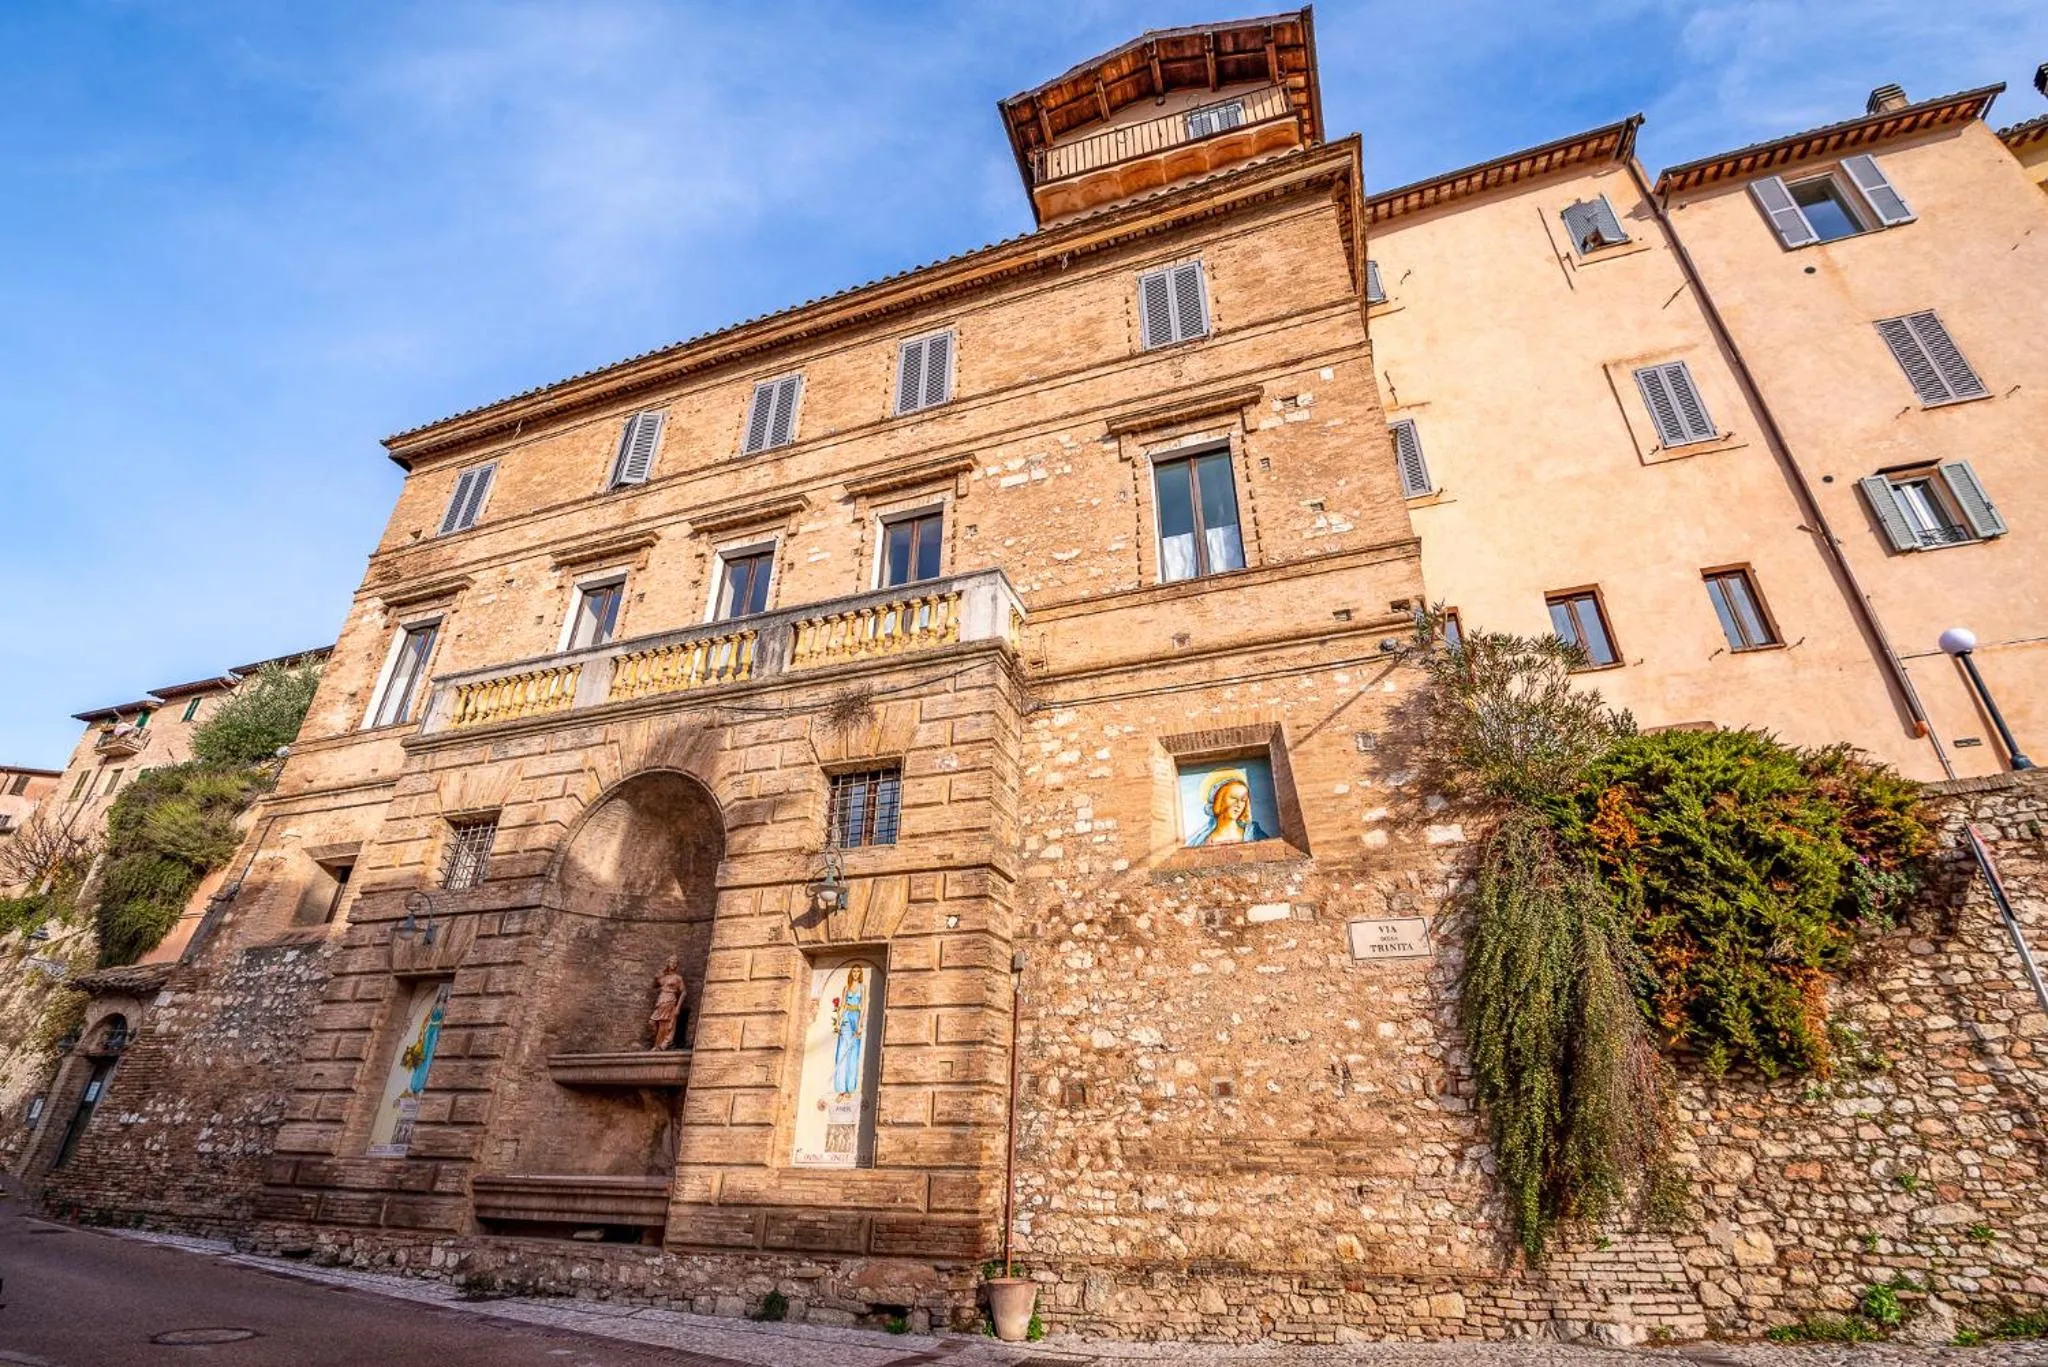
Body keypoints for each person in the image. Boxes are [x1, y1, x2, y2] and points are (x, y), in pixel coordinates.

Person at [1189, 774, 1271, 846]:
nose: (1238, 804)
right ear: (1219, 800)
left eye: (1243, 800)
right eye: (1233, 798)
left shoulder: (1254, 833)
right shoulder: (1201, 840)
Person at [832, 965, 867, 1096]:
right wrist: (838, 1022)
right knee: (842, 1051)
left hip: (856, 1017)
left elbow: (863, 1006)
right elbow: (842, 1006)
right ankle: (840, 1089)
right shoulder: (846, 988)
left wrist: (860, 1025)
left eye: (858, 971)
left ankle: (850, 1088)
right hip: (846, 1017)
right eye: (854, 971)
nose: (856, 974)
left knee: (853, 1053)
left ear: (860, 973)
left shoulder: (862, 987)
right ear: (851, 973)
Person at [648, 955, 687, 1050]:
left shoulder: (678, 978)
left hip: (670, 1000)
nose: (673, 964)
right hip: (661, 1000)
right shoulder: (664, 977)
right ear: (668, 963)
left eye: (675, 963)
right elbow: (654, 985)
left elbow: (684, 992)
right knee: (652, 1023)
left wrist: (678, 1007)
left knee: (665, 1025)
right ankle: (656, 1042)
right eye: (672, 962)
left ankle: (661, 1045)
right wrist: (655, 978)